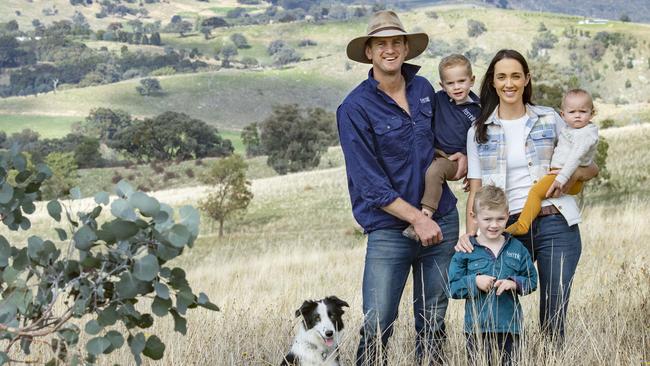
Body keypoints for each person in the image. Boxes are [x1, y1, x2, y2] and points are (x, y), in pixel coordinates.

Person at [337, 10, 462, 366]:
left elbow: (438, 138)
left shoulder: (424, 90)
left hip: (442, 219)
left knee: (434, 320)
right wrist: (416, 219)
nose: (389, 50)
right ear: (369, 52)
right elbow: (369, 183)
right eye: (381, 44)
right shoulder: (354, 108)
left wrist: (456, 157)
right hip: (389, 230)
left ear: (406, 48)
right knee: (378, 322)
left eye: (396, 42)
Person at [457, 49, 599, 344]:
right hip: (506, 228)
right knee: (500, 302)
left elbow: (589, 166)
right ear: (493, 82)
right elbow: (476, 188)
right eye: (502, 77)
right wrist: (471, 236)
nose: (509, 83)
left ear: (526, 79)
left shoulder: (550, 118)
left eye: (515, 76)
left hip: (555, 221)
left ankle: (551, 356)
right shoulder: (478, 131)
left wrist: (570, 177)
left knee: (555, 307)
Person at [448, 185, 537, 366]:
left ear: (508, 215)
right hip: (476, 330)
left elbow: (532, 280)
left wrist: (515, 283)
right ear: (474, 217)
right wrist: (474, 282)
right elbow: (452, 287)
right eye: (487, 219)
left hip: (510, 328)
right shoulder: (466, 250)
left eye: (500, 218)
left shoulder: (517, 249)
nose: (494, 224)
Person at [403, 54, 480, 240]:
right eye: (450, 83)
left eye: (461, 81)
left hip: (454, 159)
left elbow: (481, 143)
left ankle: (425, 214)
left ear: (472, 80)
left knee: (435, 171)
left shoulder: (479, 110)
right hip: (434, 150)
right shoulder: (438, 100)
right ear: (442, 86)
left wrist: (473, 170)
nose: (457, 87)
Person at [506, 89, 599, 235]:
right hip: (563, 175)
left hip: (562, 177)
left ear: (592, 113)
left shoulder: (585, 134)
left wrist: (562, 177)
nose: (577, 116)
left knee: (536, 192)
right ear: (563, 114)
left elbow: (576, 157)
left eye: (583, 111)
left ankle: (522, 225)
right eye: (572, 112)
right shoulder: (571, 129)